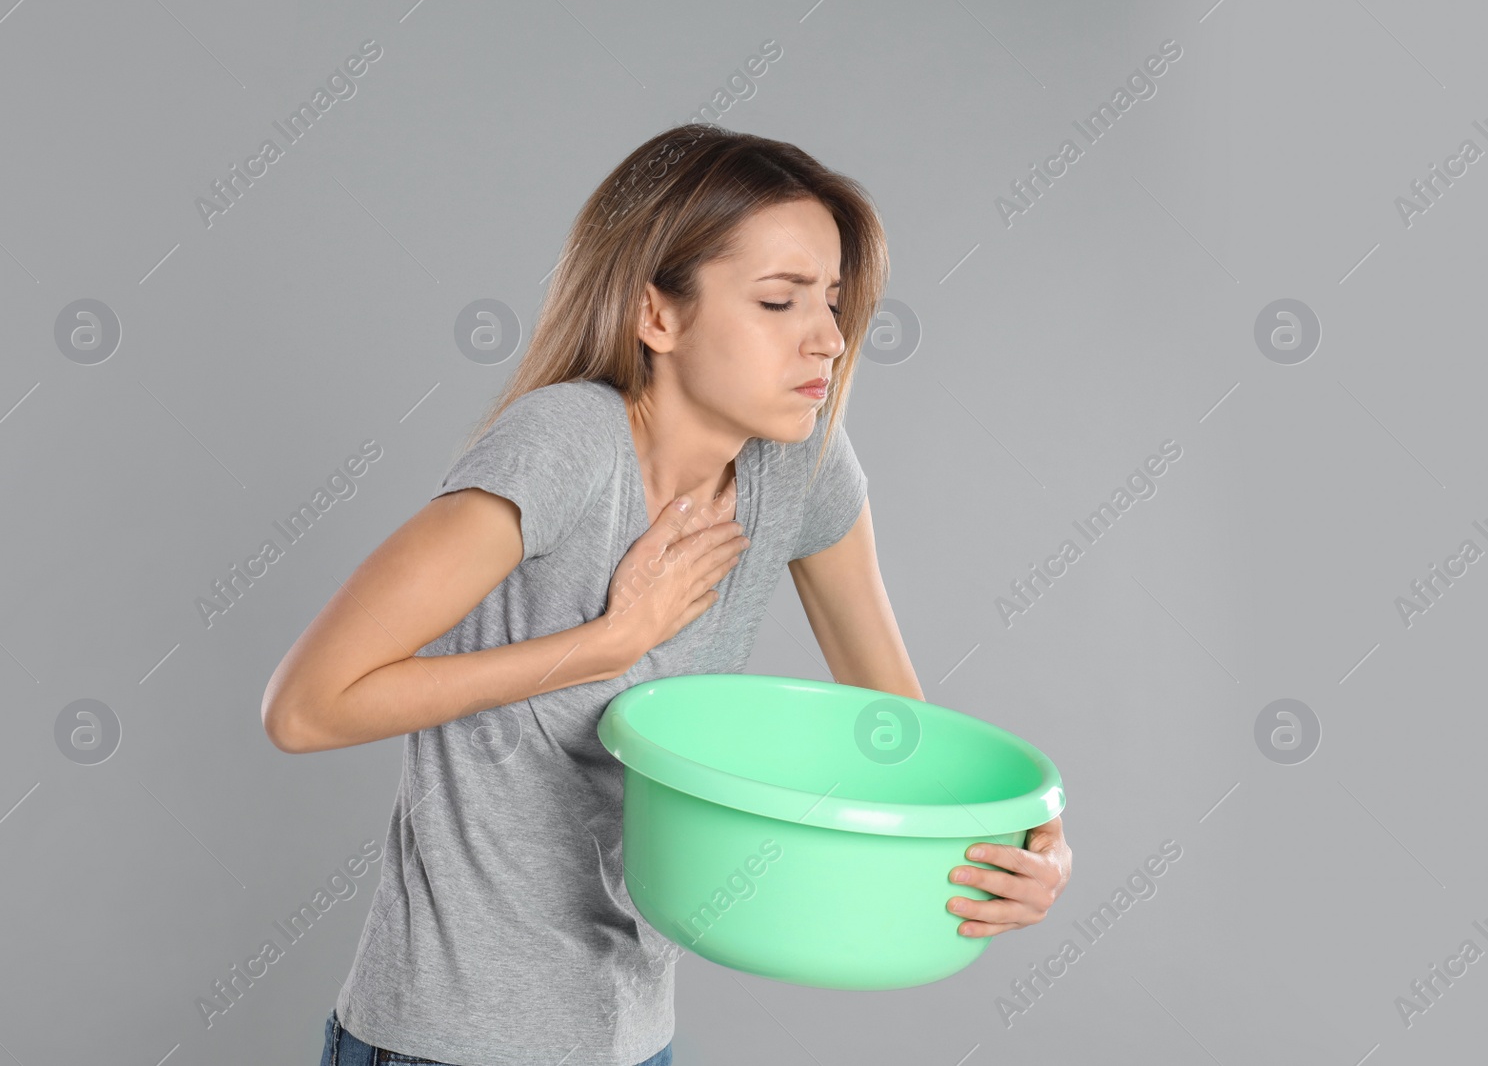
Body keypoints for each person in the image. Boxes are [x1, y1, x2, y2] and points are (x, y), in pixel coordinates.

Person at [265, 124, 1072, 1066]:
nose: (829, 337)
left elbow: (901, 737)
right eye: (779, 300)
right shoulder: (566, 446)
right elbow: (304, 708)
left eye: (836, 302)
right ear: (659, 317)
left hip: (631, 1038)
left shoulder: (800, 466)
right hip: (451, 1041)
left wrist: (1036, 845)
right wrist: (608, 643)